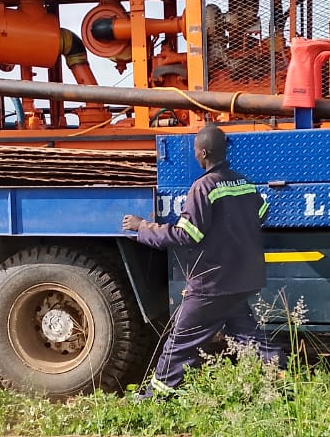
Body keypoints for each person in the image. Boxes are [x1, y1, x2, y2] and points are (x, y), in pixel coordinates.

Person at [121, 125, 283, 398]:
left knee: (180, 341)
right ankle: (282, 378)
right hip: (242, 278)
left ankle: (156, 396)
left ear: (203, 153)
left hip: (212, 282)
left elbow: (187, 234)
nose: (194, 152)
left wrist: (143, 227)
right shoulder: (243, 182)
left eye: (195, 148)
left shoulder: (203, 187)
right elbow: (262, 213)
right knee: (250, 340)